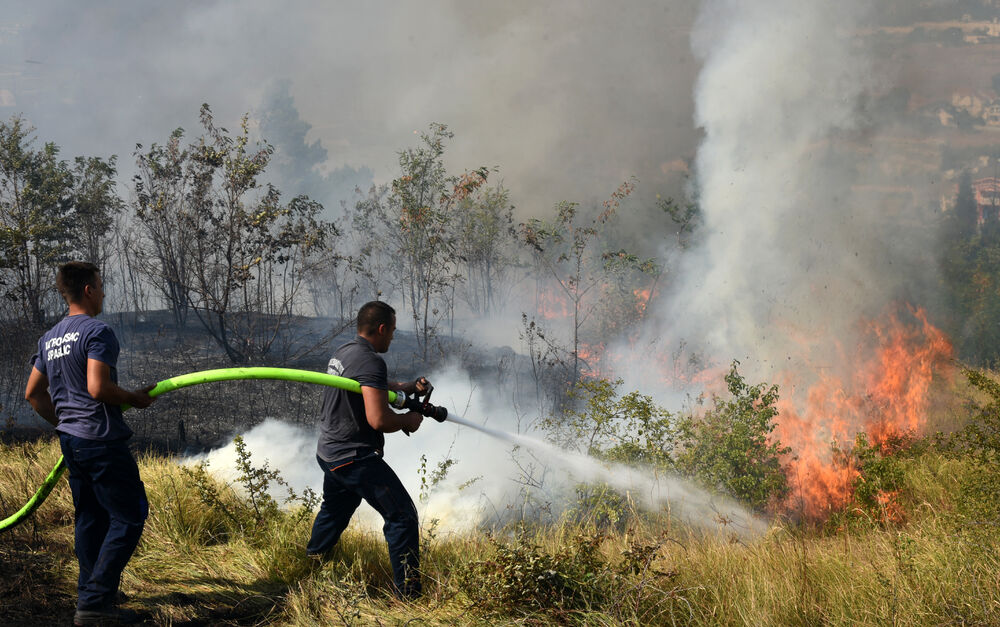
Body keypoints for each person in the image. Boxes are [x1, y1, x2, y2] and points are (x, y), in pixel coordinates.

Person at [24, 261, 156, 626]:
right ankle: (97, 602)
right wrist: (134, 396)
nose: (103, 292)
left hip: (73, 441)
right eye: (100, 285)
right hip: (101, 441)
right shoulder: (97, 331)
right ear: (88, 290)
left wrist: (66, 422)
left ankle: (92, 599)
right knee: (129, 516)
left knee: (91, 519)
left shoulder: (49, 338)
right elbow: (98, 388)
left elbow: (33, 394)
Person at [306, 300, 430, 599]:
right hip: (353, 456)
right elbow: (378, 419)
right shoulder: (372, 360)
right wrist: (407, 421)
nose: (392, 338)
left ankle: (311, 563)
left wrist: (407, 386)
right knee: (402, 517)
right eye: (393, 332)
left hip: (330, 451)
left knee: (335, 511)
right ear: (383, 328)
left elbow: (368, 383)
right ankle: (409, 598)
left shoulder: (346, 351)